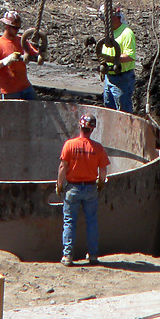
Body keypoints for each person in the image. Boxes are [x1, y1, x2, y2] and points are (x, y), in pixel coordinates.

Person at [56, 113, 110, 266]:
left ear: (80, 126)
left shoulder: (69, 145)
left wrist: (60, 186)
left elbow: (62, 167)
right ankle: (93, 256)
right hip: (91, 188)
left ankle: (67, 256)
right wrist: (100, 183)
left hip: (72, 188)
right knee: (92, 222)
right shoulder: (98, 148)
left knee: (69, 222)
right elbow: (103, 170)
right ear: (92, 130)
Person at [0, 10, 41, 100]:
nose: (17, 30)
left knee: (37, 110)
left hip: (26, 88)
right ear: (7, 26)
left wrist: (41, 54)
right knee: (13, 114)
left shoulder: (22, 41)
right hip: (10, 92)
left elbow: (35, 54)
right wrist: (6, 60)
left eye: (18, 28)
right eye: (15, 28)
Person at [98, 5, 136, 113]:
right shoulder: (110, 33)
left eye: (104, 20)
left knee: (122, 111)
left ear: (113, 18)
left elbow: (130, 56)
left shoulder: (126, 33)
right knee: (109, 109)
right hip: (109, 76)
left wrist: (111, 59)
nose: (104, 23)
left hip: (122, 78)